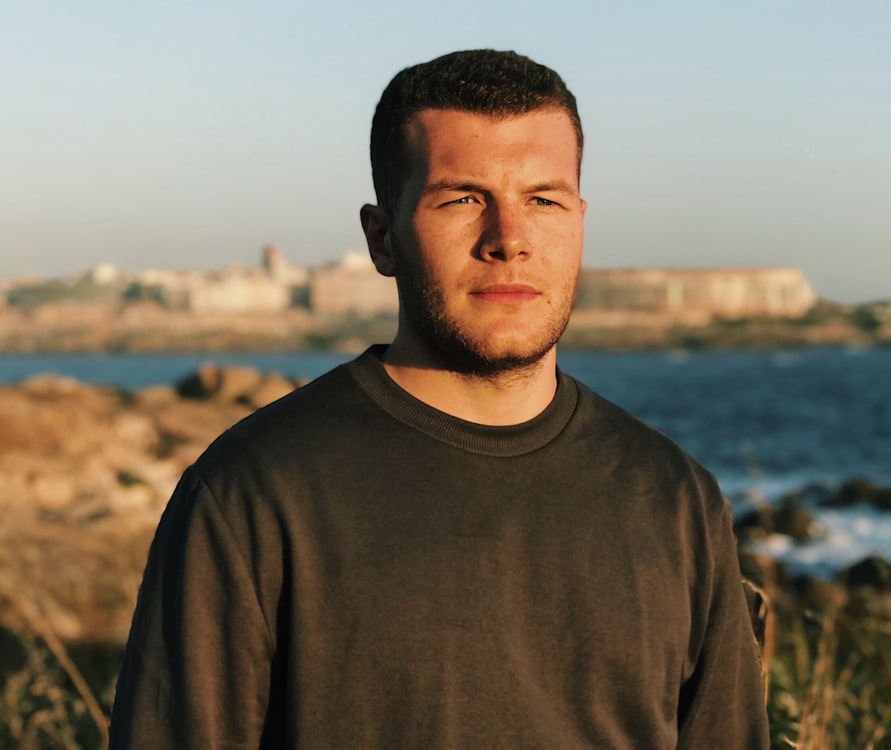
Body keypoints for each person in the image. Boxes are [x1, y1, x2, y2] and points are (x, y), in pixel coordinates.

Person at [109, 49, 769, 748]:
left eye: (543, 200)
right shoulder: (254, 491)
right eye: (462, 199)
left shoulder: (673, 498)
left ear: (579, 220)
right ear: (382, 237)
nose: (509, 240)